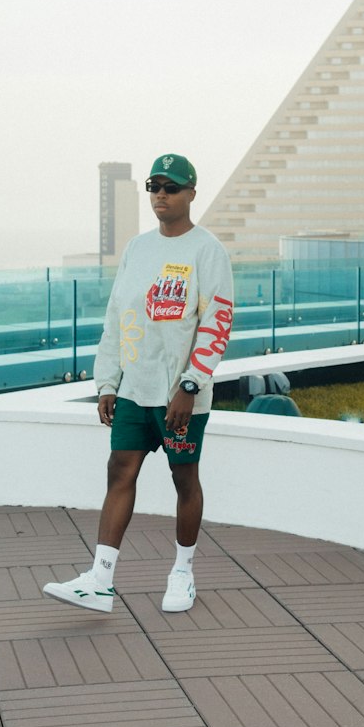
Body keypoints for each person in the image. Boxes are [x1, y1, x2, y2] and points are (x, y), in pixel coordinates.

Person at [43, 153, 234, 613]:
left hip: (180, 395)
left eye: (171, 187)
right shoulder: (137, 248)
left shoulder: (207, 251)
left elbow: (218, 321)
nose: (161, 195)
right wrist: (107, 381)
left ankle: (182, 573)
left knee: (183, 477)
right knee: (119, 471)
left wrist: (190, 386)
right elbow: (118, 316)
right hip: (134, 387)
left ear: (191, 193)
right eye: (154, 187)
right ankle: (100, 580)